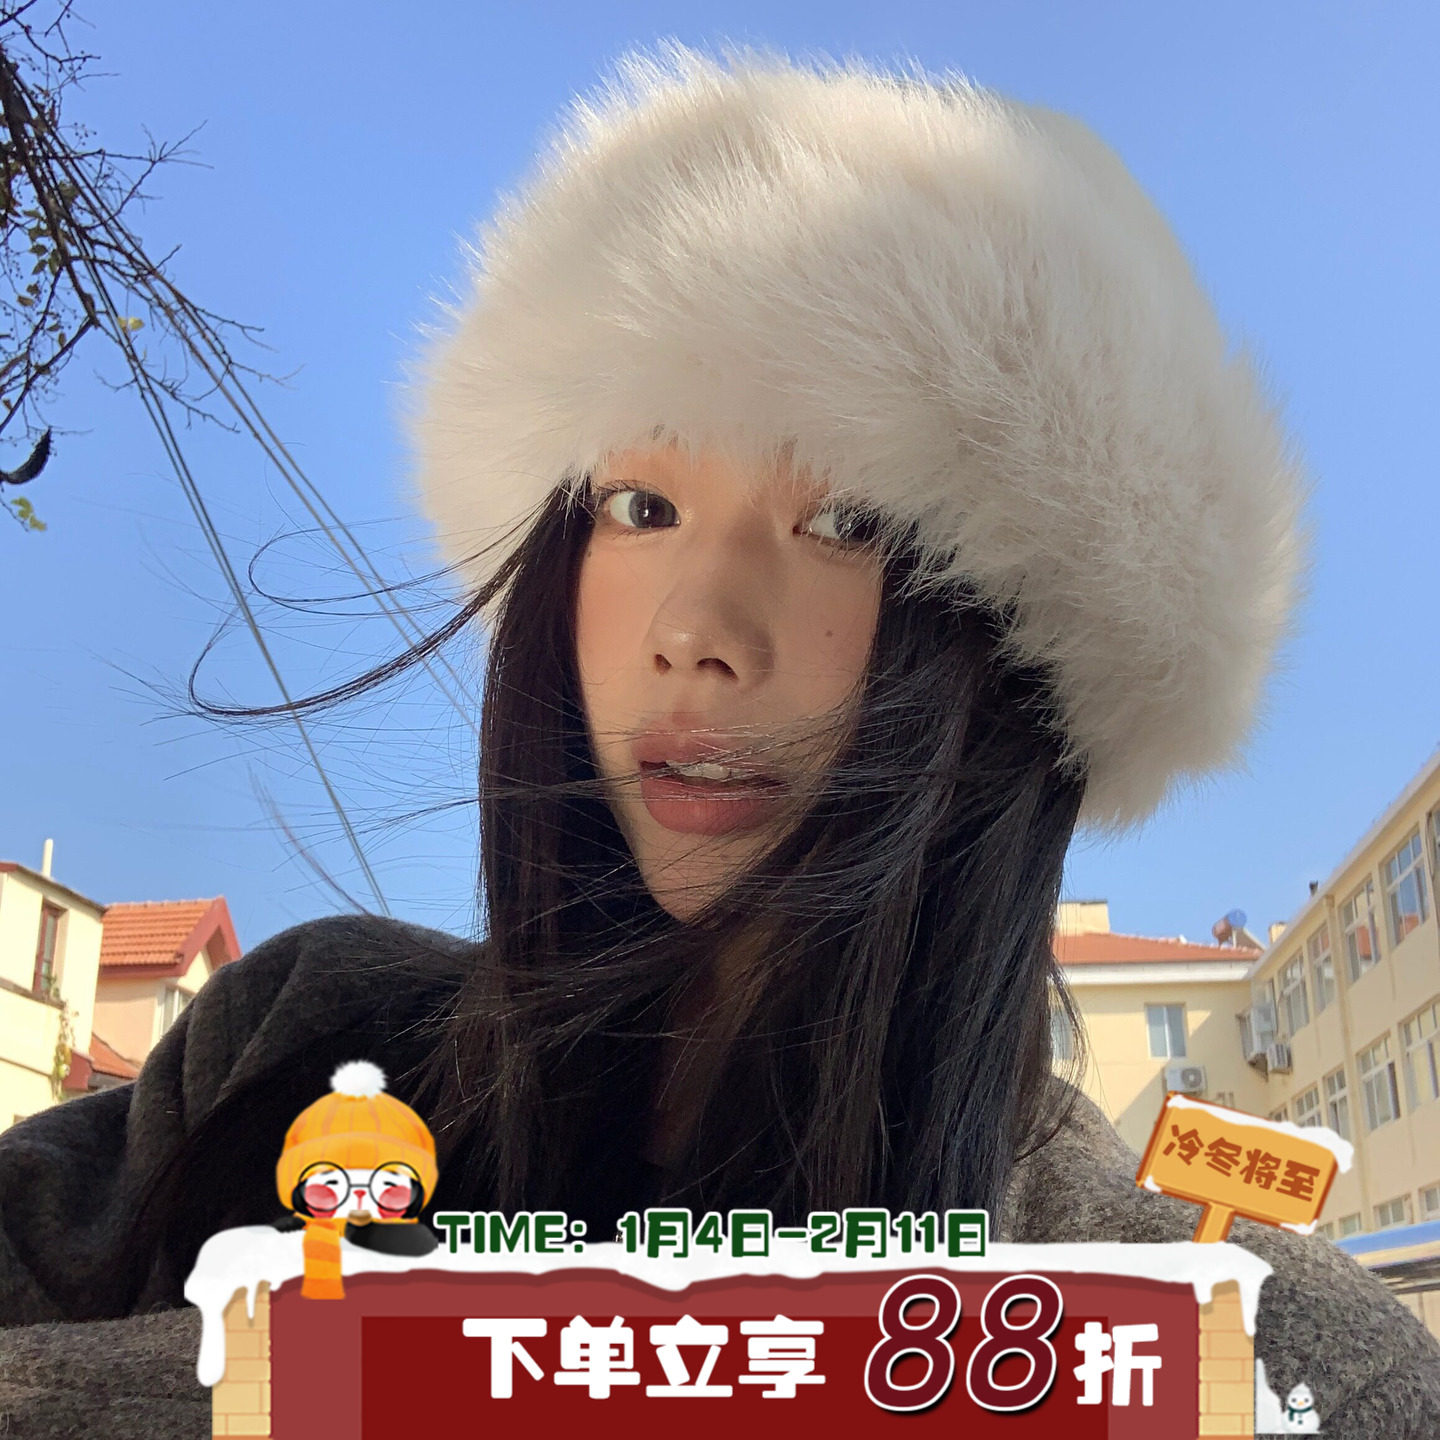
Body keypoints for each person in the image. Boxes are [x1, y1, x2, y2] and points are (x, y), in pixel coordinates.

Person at [1, 44, 1436, 1440]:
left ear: (1021, 648)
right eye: (641, 507)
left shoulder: (1248, 1352)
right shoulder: (301, 1044)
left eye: (846, 521)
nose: (697, 630)